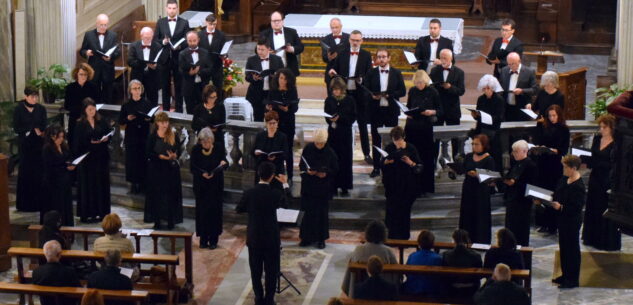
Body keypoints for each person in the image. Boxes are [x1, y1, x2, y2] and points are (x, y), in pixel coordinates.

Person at [235, 162, 291, 305]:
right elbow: (286, 204)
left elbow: (239, 209)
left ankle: (258, 297)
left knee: (255, 269)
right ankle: (269, 299)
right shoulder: (275, 193)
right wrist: (285, 185)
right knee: (271, 270)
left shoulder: (249, 193)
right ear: (272, 176)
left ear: (259, 174)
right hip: (271, 237)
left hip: (254, 236)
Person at [328, 30, 373, 164]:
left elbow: (369, 75)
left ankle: (366, 153)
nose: (355, 42)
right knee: (343, 123)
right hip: (345, 95)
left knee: (362, 125)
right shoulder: (342, 54)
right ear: (349, 40)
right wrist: (332, 72)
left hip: (360, 95)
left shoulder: (366, 55)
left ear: (362, 41)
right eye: (353, 40)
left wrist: (362, 79)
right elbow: (335, 69)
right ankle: (339, 151)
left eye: (358, 40)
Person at [364, 49, 406, 177]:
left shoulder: (396, 73)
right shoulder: (371, 72)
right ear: (376, 59)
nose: (381, 59)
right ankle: (376, 167)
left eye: (384, 57)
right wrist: (372, 96)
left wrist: (390, 95)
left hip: (391, 111)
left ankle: (391, 165)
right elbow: (365, 90)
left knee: (392, 139)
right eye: (379, 57)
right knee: (376, 140)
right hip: (376, 111)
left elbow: (402, 91)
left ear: (389, 58)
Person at [582, 114, 621, 251]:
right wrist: (585, 159)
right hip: (595, 178)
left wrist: (597, 163)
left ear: (611, 128)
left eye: (604, 127)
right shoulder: (598, 138)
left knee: (603, 208)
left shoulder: (617, 142)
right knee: (593, 207)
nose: (601, 129)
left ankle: (605, 241)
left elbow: (615, 163)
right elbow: (593, 156)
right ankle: (592, 238)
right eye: (600, 127)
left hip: (607, 180)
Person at [547, 155, 585, 289]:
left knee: (572, 250)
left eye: (565, 167)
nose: (563, 169)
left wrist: (561, 207)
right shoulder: (565, 179)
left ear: (573, 168)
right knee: (564, 248)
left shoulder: (579, 186)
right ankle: (565, 274)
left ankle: (572, 279)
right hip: (563, 219)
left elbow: (576, 207)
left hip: (572, 221)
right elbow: (557, 193)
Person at [531, 104, 570, 234]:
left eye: (554, 115)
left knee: (553, 194)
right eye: (550, 116)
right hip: (542, 163)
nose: (552, 118)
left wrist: (555, 150)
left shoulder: (564, 129)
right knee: (542, 193)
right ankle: (542, 223)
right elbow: (537, 140)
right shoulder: (543, 127)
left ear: (559, 115)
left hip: (554, 165)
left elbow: (564, 149)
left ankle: (553, 225)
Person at [298, 128, 339, 249]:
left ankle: (321, 239)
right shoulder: (308, 149)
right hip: (309, 187)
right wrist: (307, 171)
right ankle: (305, 237)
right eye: (317, 143)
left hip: (323, 188)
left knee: (321, 214)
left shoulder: (330, 152)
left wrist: (326, 173)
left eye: (321, 143)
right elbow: (302, 165)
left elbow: (335, 169)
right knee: (307, 213)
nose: (319, 145)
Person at [73, 98, 112, 223]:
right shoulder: (80, 124)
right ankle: (87, 214)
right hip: (87, 158)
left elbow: (109, 132)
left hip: (101, 157)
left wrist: (106, 139)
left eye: (93, 108)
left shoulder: (102, 121)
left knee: (101, 185)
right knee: (88, 186)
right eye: (89, 109)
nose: (92, 111)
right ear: (85, 110)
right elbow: (77, 142)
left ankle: (102, 212)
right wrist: (89, 143)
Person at [381, 126, 422, 239]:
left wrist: (410, 162)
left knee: (404, 212)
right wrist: (386, 162)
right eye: (395, 140)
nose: (397, 142)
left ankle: (404, 237)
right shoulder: (389, 148)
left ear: (404, 137)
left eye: (399, 139)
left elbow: (419, 167)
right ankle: (392, 236)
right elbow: (382, 164)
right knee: (392, 211)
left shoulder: (411, 148)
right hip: (393, 185)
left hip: (407, 186)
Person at [144, 111, 183, 229]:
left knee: (170, 195)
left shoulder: (173, 135)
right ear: (157, 123)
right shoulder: (153, 136)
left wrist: (175, 155)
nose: (165, 124)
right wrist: (159, 156)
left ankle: (171, 220)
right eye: (162, 122)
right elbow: (148, 153)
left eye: (166, 122)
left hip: (170, 169)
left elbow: (179, 150)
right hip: (157, 169)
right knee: (157, 196)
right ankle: (157, 220)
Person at [190, 128, 227, 249]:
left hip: (215, 185)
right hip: (201, 186)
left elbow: (225, 162)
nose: (207, 144)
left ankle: (213, 240)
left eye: (209, 141)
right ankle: (203, 239)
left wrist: (223, 163)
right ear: (200, 141)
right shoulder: (196, 150)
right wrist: (202, 174)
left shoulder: (219, 147)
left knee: (214, 213)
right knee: (202, 213)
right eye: (204, 142)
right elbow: (192, 167)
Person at [341, 220, 399, 296]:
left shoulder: (359, 249)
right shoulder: (387, 251)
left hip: (360, 291)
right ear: (383, 234)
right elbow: (396, 273)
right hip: (383, 291)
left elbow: (350, 273)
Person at [13, 86, 47, 212]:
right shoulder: (19, 109)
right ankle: (25, 204)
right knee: (26, 174)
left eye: (36, 96)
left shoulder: (41, 109)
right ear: (25, 96)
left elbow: (44, 124)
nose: (35, 99)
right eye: (32, 96)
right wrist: (29, 129)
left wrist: (40, 131)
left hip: (38, 145)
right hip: (25, 145)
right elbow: (17, 127)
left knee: (38, 173)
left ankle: (38, 203)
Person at [154, 0, 191, 112]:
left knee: (179, 87)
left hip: (179, 59)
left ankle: (179, 113)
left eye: (174, 8)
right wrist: (163, 42)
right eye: (169, 8)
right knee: (165, 87)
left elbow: (187, 40)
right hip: (164, 59)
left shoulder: (184, 23)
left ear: (177, 9)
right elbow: (156, 40)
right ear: (166, 8)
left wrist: (180, 47)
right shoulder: (160, 22)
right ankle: (165, 112)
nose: (172, 10)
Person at [459, 134, 495, 244]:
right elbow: (463, 169)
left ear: (484, 145)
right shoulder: (469, 156)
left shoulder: (489, 159)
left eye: (477, 144)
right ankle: (466, 239)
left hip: (481, 192)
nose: (474, 146)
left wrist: (478, 174)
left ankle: (480, 240)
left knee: (480, 216)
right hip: (468, 189)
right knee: (467, 214)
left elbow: (492, 178)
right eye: (473, 144)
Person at [324, 77, 357, 196]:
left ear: (343, 89)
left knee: (345, 159)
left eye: (338, 89)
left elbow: (353, 117)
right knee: (332, 158)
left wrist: (340, 118)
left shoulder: (349, 100)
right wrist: (330, 119)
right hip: (333, 133)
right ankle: (332, 185)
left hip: (345, 133)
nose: (335, 92)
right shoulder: (329, 100)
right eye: (334, 90)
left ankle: (344, 185)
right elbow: (326, 115)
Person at [118, 80, 152, 194]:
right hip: (131, 136)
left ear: (141, 90)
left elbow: (152, 118)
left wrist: (149, 119)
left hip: (143, 135)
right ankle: (133, 184)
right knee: (132, 160)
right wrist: (127, 119)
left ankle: (143, 184)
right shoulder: (126, 105)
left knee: (142, 159)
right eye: (134, 89)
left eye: (138, 88)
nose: (137, 91)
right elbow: (120, 121)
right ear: (130, 91)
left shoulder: (147, 103)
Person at [431, 48, 465, 161]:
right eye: (441, 58)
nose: (443, 60)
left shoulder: (459, 72)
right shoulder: (435, 71)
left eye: (445, 58)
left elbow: (461, 91)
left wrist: (450, 87)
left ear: (451, 58)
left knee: (455, 138)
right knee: (435, 138)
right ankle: (434, 162)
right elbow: (431, 88)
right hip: (438, 108)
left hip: (452, 110)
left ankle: (456, 163)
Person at [79, 14, 120, 104]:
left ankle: (107, 115)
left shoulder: (113, 35)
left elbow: (117, 52)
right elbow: (82, 50)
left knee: (108, 95)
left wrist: (111, 57)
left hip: (108, 70)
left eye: (105, 25)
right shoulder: (89, 35)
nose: (103, 27)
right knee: (94, 94)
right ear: (96, 24)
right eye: (101, 25)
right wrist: (86, 53)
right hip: (94, 69)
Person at [503, 140, 538, 246]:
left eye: (516, 151)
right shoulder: (516, 163)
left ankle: (521, 247)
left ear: (524, 151)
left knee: (520, 228)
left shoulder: (531, 165)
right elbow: (509, 177)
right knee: (510, 226)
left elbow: (531, 185)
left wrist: (515, 183)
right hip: (512, 199)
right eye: (513, 151)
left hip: (522, 201)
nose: (513, 154)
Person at [267, 68, 299, 181]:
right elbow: (269, 103)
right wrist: (269, 107)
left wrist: (287, 109)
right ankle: (276, 173)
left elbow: (295, 107)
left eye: (285, 79)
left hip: (289, 122)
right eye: (281, 78)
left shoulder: (292, 90)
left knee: (288, 149)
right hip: (277, 123)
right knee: (276, 148)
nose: (282, 81)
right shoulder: (273, 90)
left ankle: (289, 175)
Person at [41, 125, 76, 226]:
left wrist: (71, 164)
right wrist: (65, 167)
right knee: (56, 207)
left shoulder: (63, 146)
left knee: (65, 206)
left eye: (62, 136)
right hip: (52, 183)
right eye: (59, 137)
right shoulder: (47, 148)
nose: (61, 139)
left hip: (64, 181)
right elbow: (49, 167)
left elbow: (67, 158)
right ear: (52, 136)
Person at [472, 74, 505, 172]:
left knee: (493, 157)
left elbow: (500, 117)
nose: (486, 90)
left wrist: (487, 118)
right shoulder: (481, 99)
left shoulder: (499, 100)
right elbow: (479, 116)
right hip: (482, 131)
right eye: (484, 88)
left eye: (488, 88)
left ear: (493, 88)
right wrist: (475, 116)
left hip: (493, 133)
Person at [245, 39, 284, 121]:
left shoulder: (277, 59)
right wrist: (254, 78)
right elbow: (247, 76)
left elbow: (283, 75)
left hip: (272, 93)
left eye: (262, 49)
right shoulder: (251, 60)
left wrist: (276, 77)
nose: (259, 52)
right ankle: (259, 133)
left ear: (268, 49)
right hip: (256, 93)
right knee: (258, 117)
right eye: (258, 49)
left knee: (272, 117)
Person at [32, 240, 81, 305]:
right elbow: (78, 290)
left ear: (45, 254)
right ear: (59, 255)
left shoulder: (36, 272)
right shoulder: (69, 272)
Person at [127, 27, 165, 107]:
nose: (148, 39)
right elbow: (130, 61)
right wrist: (143, 63)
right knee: (138, 101)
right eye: (146, 37)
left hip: (153, 77)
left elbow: (162, 63)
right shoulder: (134, 46)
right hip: (138, 77)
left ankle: (152, 116)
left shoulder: (158, 46)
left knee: (153, 101)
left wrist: (155, 66)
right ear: (141, 36)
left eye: (150, 37)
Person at [259, 11, 304, 76]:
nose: (276, 23)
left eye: (279, 20)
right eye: (274, 21)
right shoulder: (264, 34)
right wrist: (265, 52)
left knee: (290, 86)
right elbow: (257, 49)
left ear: (283, 21)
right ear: (271, 22)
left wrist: (292, 49)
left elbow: (301, 47)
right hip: (271, 69)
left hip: (289, 69)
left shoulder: (292, 32)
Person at [252, 111, 289, 189]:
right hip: (262, 169)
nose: (272, 125)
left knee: (275, 193)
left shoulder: (282, 137)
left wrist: (276, 157)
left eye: (274, 123)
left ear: (277, 122)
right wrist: (256, 152)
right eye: (270, 123)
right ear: (266, 123)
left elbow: (286, 154)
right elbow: (252, 151)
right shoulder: (260, 135)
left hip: (277, 169)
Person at [179, 31, 212, 114]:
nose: (192, 43)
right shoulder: (182, 54)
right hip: (189, 86)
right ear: (186, 41)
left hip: (203, 86)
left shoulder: (205, 52)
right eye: (190, 41)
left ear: (198, 40)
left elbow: (210, 69)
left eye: (194, 40)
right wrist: (190, 73)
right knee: (190, 109)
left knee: (203, 109)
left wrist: (199, 71)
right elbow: (180, 70)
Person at [64, 63, 98, 145]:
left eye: (85, 75)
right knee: (74, 142)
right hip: (75, 119)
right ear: (76, 75)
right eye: (81, 74)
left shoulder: (93, 87)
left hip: (89, 119)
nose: (83, 77)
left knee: (88, 142)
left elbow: (96, 103)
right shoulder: (70, 88)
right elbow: (67, 105)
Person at [442, 229, 483, 297]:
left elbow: (444, 275)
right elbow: (480, 275)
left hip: (452, 288)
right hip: (471, 289)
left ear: (453, 240)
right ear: (467, 240)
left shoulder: (446, 255)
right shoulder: (476, 256)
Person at [402, 230, 443, 296]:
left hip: (412, 289)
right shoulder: (438, 258)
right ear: (433, 243)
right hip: (431, 291)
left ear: (419, 243)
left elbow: (407, 273)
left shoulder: (412, 256)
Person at [499, 52, 537, 122]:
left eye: (512, 64)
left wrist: (522, 91)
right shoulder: (504, 70)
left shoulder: (529, 72)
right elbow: (501, 88)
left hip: (522, 108)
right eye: (509, 64)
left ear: (519, 61)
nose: (510, 66)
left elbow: (535, 89)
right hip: (507, 109)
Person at [197, 13, 227, 99]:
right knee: (203, 89)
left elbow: (224, 49)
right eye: (210, 24)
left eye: (214, 24)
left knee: (218, 90)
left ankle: (218, 108)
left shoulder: (221, 35)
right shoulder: (199, 34)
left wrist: (224, 56)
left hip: (216, 65)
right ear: (206, 22)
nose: (212, 26)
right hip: (204, 66)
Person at [320, 17, 349, 92]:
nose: (334, 30)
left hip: (345, 72)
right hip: (331, 73)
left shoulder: (348, 38)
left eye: (336, 27)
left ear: (341, 26)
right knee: (331, 97)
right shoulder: (325, 39)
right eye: (332, 28)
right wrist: (329, 57)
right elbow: (324, 57)